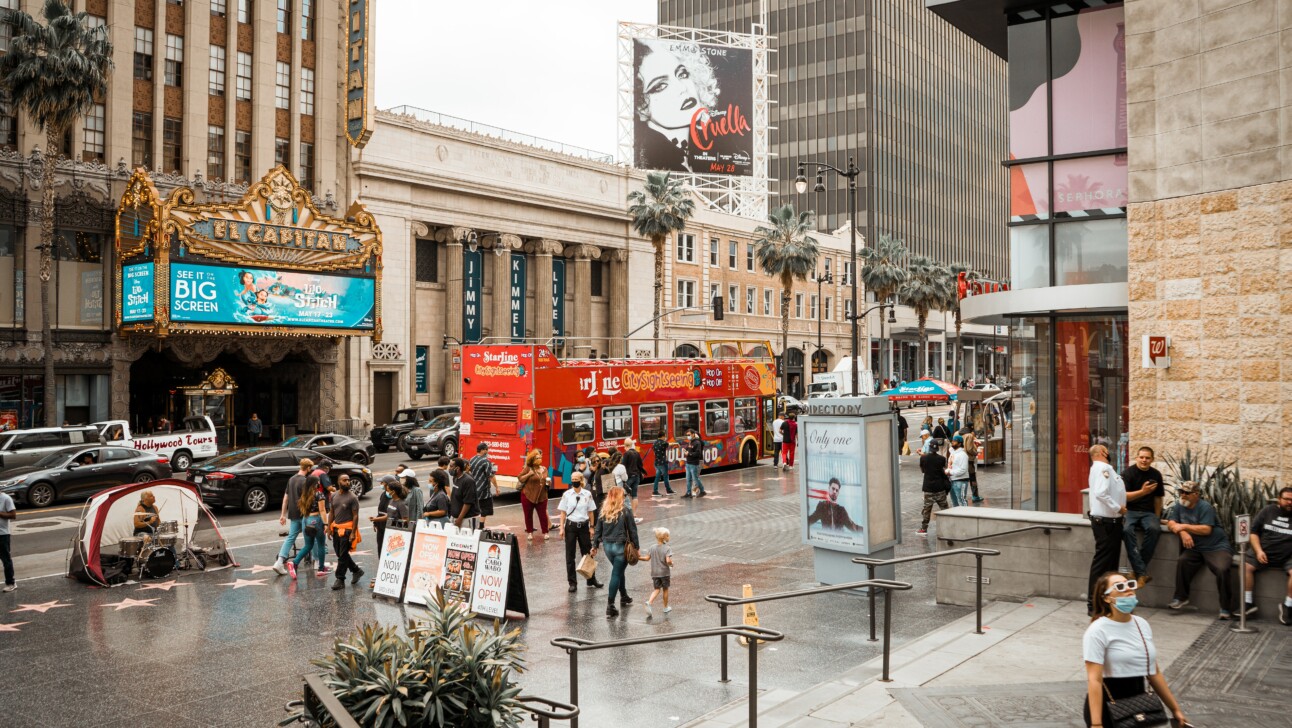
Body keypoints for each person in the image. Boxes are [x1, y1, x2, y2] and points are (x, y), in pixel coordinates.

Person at [1083, 572, 1189, 728]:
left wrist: (1175, 709)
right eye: (1119, 586)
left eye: (1129, 584)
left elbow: (1154, 673)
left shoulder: (1142, 624)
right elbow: (1095, 680)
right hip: (1109, 705)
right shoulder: (1097, 630)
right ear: (1106, 598)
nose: (1128, 589)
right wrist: (1097, 724)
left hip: (1139, 705)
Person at [631, 38, 723, 173]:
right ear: (641, 106)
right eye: (661, 86)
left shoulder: (710, 151)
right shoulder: (648, 163)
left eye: (682, 74)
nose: (682, 88)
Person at [1165, 482, 1236, 619]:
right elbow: (1171, 523)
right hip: (1195, 547)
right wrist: (1183, 533)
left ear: (1196, 494)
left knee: (1222, 569)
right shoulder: (1179, 505)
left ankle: (1225, 608)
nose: (1183, 495)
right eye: (1181, 492)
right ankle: (1181, 598)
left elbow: (1206, 529)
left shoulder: (1205, 507)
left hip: (1216, 546)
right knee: (1183, 561)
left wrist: (1183, 526)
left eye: (1187, 493)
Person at [1086, 444, 1127, 615]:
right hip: (1107, 523)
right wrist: (1118, 508)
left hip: (1109, 522)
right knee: (1104, 564)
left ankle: (1103, 601)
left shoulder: (1098, 468)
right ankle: (1094, 603)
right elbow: (1101, 493)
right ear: (1103, 453)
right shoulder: (1104, 468)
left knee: (1108, 565)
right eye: (1107, 450)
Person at [1243, 485, 1292, 622]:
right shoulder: (1268, 511)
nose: (1290, 502)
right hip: (1263, 551)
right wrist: (1258, 551)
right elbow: (1253, 533)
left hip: (1288, 556)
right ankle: (1247, 604)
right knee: (1245, 566)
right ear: (1279, 499)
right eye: (1286, 499)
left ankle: (1288, 606)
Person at [591, 485, 640, 618]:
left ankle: (624, 595)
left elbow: (597, 530)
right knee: (616, 574)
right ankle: (610, 605)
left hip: (607, 547)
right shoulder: (626, 510)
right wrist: (636, 547)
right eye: (624, 495)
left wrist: (594, 545)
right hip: (620, 546)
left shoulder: (603, 510)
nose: (625, 497)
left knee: (618, 571)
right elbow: (632, 530)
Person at [1120, 446, 1164, 585]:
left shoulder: (1156, 474)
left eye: (1147, 458)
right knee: (1126, 530)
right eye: (1141, 457)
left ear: (1152, 459)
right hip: (1130, 511)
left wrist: (1157, 517)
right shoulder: (1128, 473)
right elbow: (1125, 497)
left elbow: (1158, 498)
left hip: (1148, 512)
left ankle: (1138, 571)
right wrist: (1143, 492)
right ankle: (1142, 572)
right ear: (1137, 457)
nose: (1144, 460)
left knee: (1155, 529)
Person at [558, 472, 602, 592]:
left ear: (581, 480)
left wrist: (592, 527)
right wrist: (561, 528)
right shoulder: (567, 494)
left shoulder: (587, 494)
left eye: (576, 479)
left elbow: (591, 512)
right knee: (570, 556)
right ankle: (572, 583)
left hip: (583, 527)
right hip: (570, 526)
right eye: (572, 479)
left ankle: (591, 579)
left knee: (588, 554)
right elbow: (563, 513)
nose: (574, 481)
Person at [274, 458, 313, 576]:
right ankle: (317, 562)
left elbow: (285, 498)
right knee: (311, 538)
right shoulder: (306, 481)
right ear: (308, 468)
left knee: (291, 537)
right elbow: (308, 500)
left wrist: (282, 515)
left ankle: (280, 562)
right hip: (304, 514)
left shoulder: (291, 479)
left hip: (293, 513)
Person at [290, 476, 330, 580]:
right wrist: (326, 523)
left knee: (308, 545)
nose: (319, 484)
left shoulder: (304, 495)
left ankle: (294, 563)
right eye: (318, 482)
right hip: (316, 520)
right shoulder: (319, 494)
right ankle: (321, 569)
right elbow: (322, 510)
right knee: (321, 544)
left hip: (306, 520)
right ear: (315, 483)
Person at [328, 475, 363, 590]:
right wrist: (329, 527)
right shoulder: (333, 495)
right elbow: (332, 512)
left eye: (348, 480)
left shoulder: (353, 497)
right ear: (339, 482)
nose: (347, 482)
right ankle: (356, 570)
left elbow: (355, 515)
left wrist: (353, 532)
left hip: (347, 530)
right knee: (340, 553)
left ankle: (340, 579)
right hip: (336, 529)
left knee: (342, 555)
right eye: (344, 480)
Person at [639, 527, 674, 617]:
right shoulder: (667, 548)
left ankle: (649, 602)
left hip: (655, 573)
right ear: (664, 537)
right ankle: (665, 607)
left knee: (657, 589)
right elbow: (668, 560)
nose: (668, 537)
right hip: (664, 573)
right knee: (665, 589)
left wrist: (637, 558)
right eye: (667, 535)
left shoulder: (652, 547)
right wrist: (671, 564)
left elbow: (647, 558)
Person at [517, 449, 550, 541]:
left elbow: (546, 480)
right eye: (537, 458)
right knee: (528, 515)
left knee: (543, 515)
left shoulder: (544, 469)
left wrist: (548, 482)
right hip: (528, 495)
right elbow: (520, 478)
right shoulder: (528, 468)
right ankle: (530, 532)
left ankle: (545, 532)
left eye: (540, 457)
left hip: (542, 496)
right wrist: (528, 474)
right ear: (532, 459)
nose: (539, 459)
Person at [919, 442, 951, 534]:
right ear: (937, 449)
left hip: (928, 488)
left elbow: (923, 470)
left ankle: (924, 528)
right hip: (940, 487)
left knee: (927, 510)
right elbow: (944, 469)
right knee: (945, 508)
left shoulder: (923, 458)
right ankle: (949, 526)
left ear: (929, 448)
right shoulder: (942, 459)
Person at [469, 443, 500, 529]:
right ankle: (481, 526)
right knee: (484, 509)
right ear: (482, 450)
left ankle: (473, 525)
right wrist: (497, 487)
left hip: (473, 488)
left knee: (474, 508)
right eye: (486, 449)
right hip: (483, 489)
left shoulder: (472, 459)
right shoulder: (486, 461)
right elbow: (490, 476)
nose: (487, 451)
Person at [448, 458, 479, 529]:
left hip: (467, 519)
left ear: (457, 468)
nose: (449, 468)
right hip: (456, 517)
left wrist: (460, 519)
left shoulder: (468, 481)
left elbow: (468, 502)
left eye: (451, 466)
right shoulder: (455, 478)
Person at [945, 436, 970, 508]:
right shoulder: (953, 453)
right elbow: (950, 465)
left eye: (954, 441)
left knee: (962, 500)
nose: (952, 442)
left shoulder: (963, 455)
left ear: (959, 444)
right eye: (952, 440)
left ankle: (966, 516)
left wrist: (950, 472)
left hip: (960, 481)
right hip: (952, 480)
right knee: (954, 501)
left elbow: (963, 469)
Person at [961, 425, 983, 503]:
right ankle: (975, 495)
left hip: (960, 458)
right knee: (972, 478)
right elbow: (969, 448)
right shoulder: (969, 436)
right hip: (969, 459)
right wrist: (975, 452)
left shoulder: (958, 433)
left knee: (962, 478)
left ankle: (962, 496)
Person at [681, 430, 707, 498]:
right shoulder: (690, 442)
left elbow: (698, 453)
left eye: (689, 435)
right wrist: (685, 451)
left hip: (694, 464)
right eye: (687, 435)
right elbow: (689, 449)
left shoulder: (697, 442)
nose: (688, 436)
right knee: (688, 479)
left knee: (695, 479)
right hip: (688, 463)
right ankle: (688, 492)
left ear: (693, 434)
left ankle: (702, 491)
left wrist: (689, 453)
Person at [622, 438, 644, 513]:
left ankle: (626, 513)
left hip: (629, 477)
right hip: (636, 476)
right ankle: (634, 514)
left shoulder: (626, 454)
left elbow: (623, 466)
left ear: (625, 445)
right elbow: (640, 465)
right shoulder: (637, 453)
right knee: (634, 495)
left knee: (623, 494)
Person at [0, 488, 14, 592]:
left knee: (6, 560)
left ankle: (11, 583)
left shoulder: (6, 498)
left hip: (3, 534)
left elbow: (13, 515)